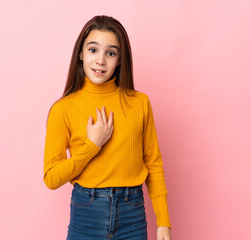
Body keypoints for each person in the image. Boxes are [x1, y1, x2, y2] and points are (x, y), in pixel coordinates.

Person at [43, 15, 172, 240]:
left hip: (132, 214)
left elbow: (153, 163)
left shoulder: (139, 102)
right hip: (86, 213)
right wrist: (92, 145)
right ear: (81, 54)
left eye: (110, 53)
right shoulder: (63, 109)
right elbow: (51, 178)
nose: (100, 60)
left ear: (120, 59)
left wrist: (163, 222)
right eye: (93, 50)